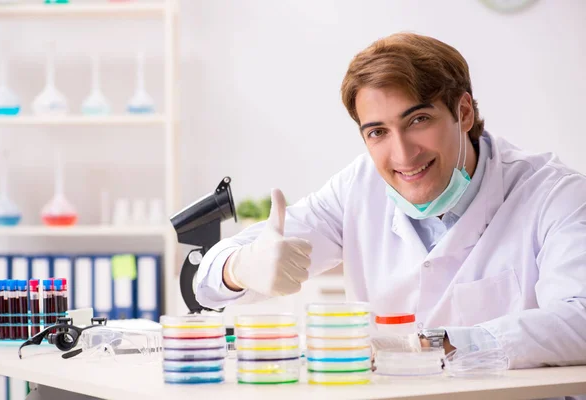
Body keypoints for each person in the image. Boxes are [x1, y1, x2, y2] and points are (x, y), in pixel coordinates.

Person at [194, 32, 586, 370]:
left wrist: (436, 345)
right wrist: (240, 268)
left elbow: (580, 322)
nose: (402, 154)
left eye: (418, 120)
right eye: (378, 132)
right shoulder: (356, 189)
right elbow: (205, 284)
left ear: (463, 112)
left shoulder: (554, 194)